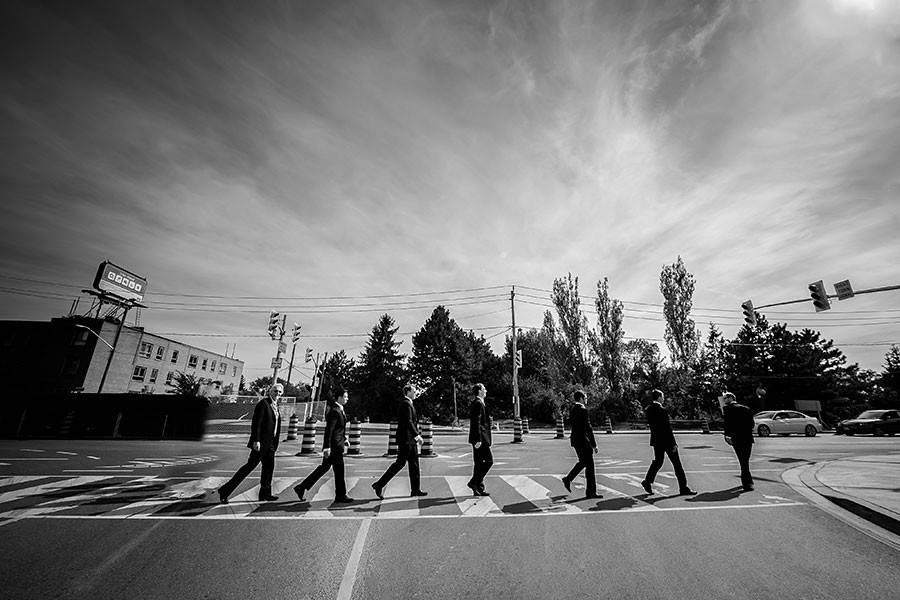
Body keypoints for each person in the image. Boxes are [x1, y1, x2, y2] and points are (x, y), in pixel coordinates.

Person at [218, 383, 283, 503]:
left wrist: (275, 443)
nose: (277, 394)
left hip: (271, 444)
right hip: (261, 443)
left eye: (279, 392)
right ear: (270, 392)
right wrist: (256, 440)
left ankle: (265, 493)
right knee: (249, 467)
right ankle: (225, 490)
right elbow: (256, 424)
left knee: (269, 469)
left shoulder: (276, 406)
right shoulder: (263, 404)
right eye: (275, 391)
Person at [294, 389, 353, 503]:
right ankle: (341, 495)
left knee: (324, 468)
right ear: (339, 397)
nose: (347, 399)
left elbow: (339, 429)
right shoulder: (334, 411)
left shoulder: (339, 409)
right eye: (345, 397)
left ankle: (302, 487)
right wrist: (327, 447)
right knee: (339, 471)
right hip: (334, 447)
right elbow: (329, 430)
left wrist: (344, 439)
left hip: (337, 444)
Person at [372, 384, 427, 498]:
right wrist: (417, 436)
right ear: (407, 392)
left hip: (410, 440)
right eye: (414, 390)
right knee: (400, 464)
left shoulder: (409, 404)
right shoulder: (405, 404)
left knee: (414, 465)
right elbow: (409, 421)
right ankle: (379, 484)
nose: (415, 392)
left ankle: (415, 489)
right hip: (406, 440)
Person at [640, 389, 696, 496]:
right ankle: (683, 487)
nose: (664, 399)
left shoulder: (649, 409)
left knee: (658, 461)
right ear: (659, 397)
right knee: (677, 465)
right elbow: (667, 428)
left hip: (656, 440)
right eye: (663, 396)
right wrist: (673, 443)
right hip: (667, 441)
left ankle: (647, 481)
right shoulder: (662, 410)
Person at [561, 390, 601, 499]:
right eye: (585, 397)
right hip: (583, 441)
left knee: (583, 462)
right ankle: (591, 492)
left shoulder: (573, 409)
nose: (586, 399)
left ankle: (568, 479)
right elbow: (588, 428)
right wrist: (594, 444)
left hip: (575, 440)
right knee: (590, 467)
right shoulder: (583, 410)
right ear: (581, 398)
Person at [722, 391, 755, 491]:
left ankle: (747, 483)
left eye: (725, 398)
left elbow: (727, 424)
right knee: (745, 460)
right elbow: (752, 424)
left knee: (742, 460)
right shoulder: (746, 408)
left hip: (736, 438)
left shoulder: (727, 410)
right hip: (747, 437)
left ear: (731, 398)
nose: (724, 400)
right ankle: (748, 481)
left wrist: (726, 435)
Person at [467, 383, 493, 496]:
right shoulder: (477, 403)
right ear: (479, 391)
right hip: (480, 438)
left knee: (478, 463)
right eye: (484, 389)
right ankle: (474, 482)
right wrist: (478, 439)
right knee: (488, 461)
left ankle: (479, 488)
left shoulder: (480, 403)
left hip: (480, 438)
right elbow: (476, 422)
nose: (486, 390)